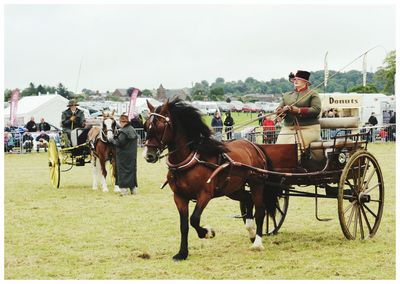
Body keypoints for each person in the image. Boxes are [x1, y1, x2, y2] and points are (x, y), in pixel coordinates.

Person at [275, 70, 321, 150]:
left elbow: (316, 110)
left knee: (294, 151)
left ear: (306, 82)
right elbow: (278, 110)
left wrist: (299, 110)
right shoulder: (286, 95)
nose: (295, 81)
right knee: (278, 149)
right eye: (294, 79)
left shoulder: (312, 94)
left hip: (309, 128)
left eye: (298, 79)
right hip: (288, 128)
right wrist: (282, 110)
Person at [110, 113, 138, 196]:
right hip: (132, 155)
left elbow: (119, 143)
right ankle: (133, 190)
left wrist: (112, 140)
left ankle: (124, 191)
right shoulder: (132, 129)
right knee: (131, 171)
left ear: (123, 122)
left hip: (123, 156)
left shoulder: (123, 132)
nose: (120, 124)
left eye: (121, 122)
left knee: (122, 172)